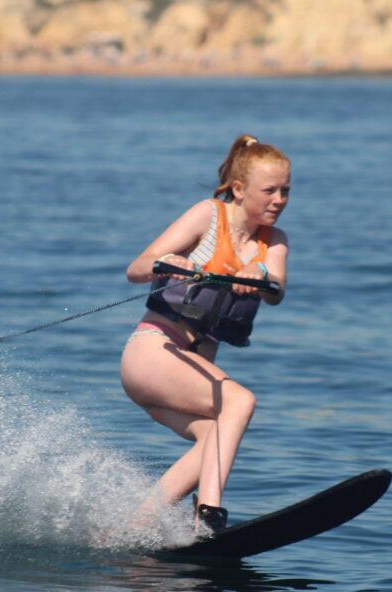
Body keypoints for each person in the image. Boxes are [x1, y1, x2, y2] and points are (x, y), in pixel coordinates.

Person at [121, 134, 290, 533]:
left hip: (190, 370)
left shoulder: (275, 242)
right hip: (153, 353)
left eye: (286, 191)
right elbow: (136, 268)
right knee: (240, 402)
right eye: (270, 190)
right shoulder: (207, 215)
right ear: (239, 189)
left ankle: (134, 528)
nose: (279, 199)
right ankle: (208, 517)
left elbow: (278, 291)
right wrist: (169, 263)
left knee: (216, 436)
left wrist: (261, 275)